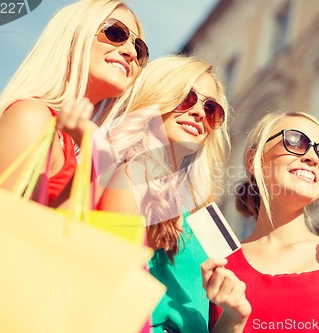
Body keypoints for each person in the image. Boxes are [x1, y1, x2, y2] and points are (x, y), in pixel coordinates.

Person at [202, 111, 319, 333]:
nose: (313, 158)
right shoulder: (217, 265)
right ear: (252, 160)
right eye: (295, 141)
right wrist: (230, 320)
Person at [0, 0, 149, 206]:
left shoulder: (66, 139)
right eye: (115, 33)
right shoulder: (31, 117)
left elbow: (54, 226)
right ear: (75, 36)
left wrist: (99, 156)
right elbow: (4, 224)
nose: (131, 53)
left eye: (139, 49)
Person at [98, 55, 231, 333]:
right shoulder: (134, 176)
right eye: (186, 98)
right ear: (157, 98)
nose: (198, 113)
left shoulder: (197, 206)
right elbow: (108, 292)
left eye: (211, 110)